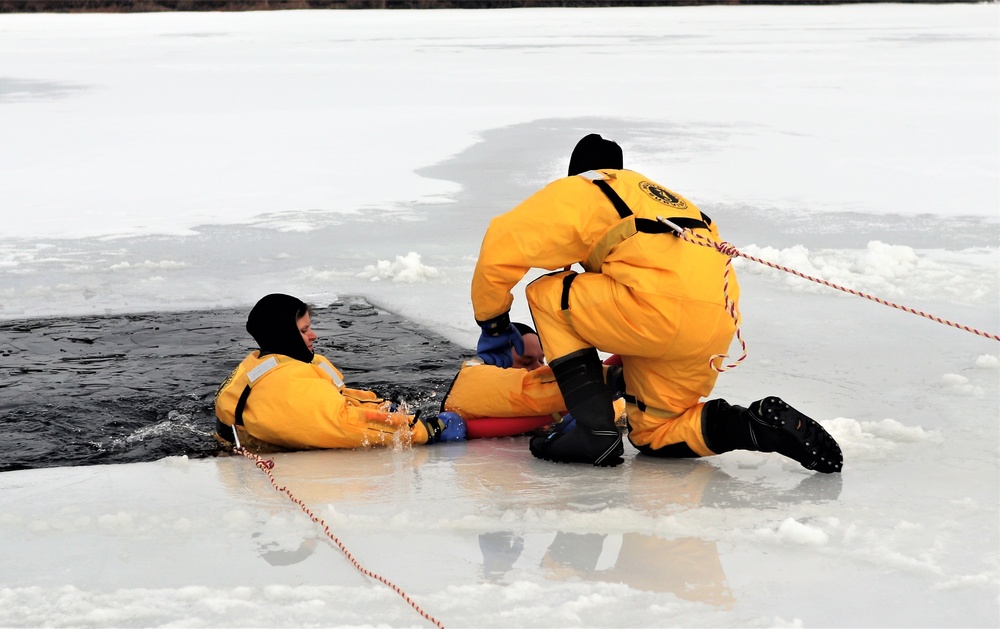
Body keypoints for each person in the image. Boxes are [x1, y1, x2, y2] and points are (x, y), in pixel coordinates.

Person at [470, 133, 843, 472]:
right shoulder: (663, 196)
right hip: (712, 324)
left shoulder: (582, 188)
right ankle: (755, 426)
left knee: (547, 293)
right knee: (655, 431)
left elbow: (504, 241)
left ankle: (593, 430)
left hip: (652, 307)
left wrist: (493, 322)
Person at [214, 293, 464, 452]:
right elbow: (346, 425)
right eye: (303, 331)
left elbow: (336, 400)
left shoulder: (267, 365)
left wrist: (382, 406)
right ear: (284, 335)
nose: (314, 336)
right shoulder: (290, 389)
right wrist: (423, 430)